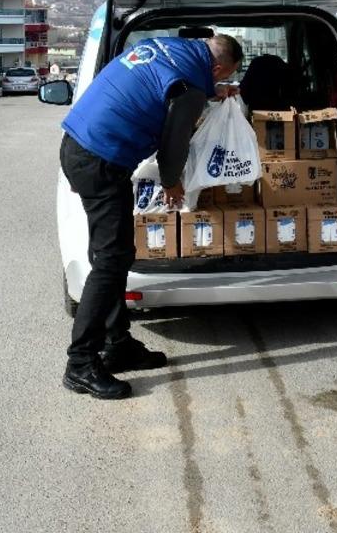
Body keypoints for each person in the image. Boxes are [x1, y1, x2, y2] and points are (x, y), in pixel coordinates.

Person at [59, 34, 243, 399]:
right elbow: (174, 142)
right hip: (99, 159)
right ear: (219, 67)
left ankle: (118, 343)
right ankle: (80, 363)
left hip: (82, 145)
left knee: (113, 254)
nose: (220, 82)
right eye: (224, 77)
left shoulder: (170, 47)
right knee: (111, 259)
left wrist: (209, 94)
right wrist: (173, 183)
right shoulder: (190, 85)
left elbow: (167, 88)